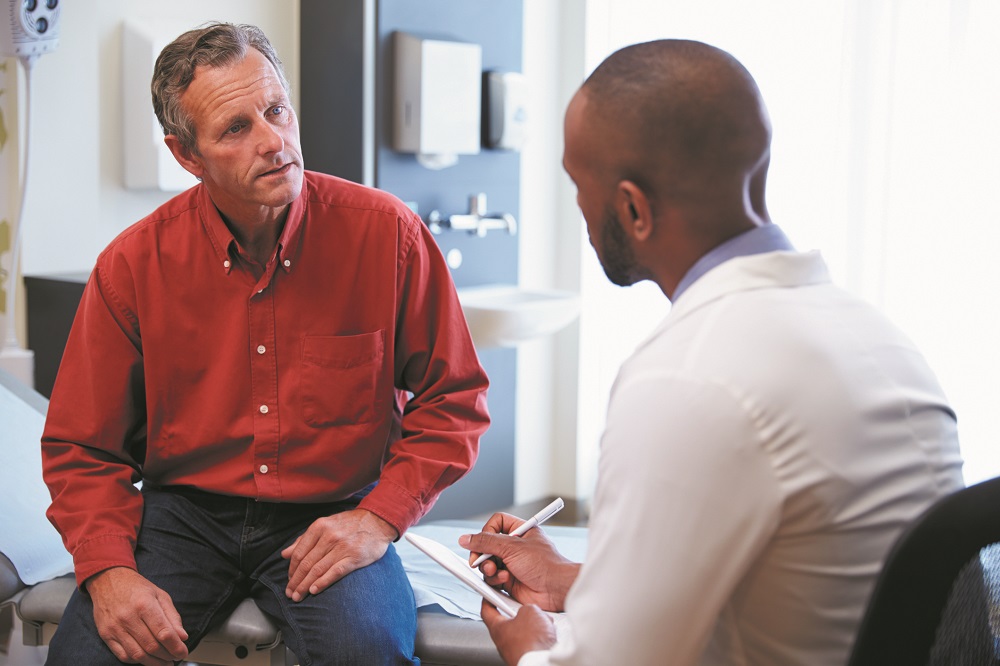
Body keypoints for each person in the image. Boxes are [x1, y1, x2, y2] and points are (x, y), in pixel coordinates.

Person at [460, 39, 964, 665]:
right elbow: (811, 584)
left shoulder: (687, 377)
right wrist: (573, 581)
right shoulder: (879, 339)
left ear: (633, 208)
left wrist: (527, 652)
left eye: (577, 184)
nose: (579, 208)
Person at [41, 22, 489, 666]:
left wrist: (379, 517)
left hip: (332, 512)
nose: (274, 141)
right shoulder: (132, 266)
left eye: (277, 110)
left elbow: (455, 398)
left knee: (366, 652)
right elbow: (82, 446)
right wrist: (107, 569)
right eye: (235, 128)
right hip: (182, 517)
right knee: (87, 657)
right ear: (187, 155)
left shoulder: (388, 235)